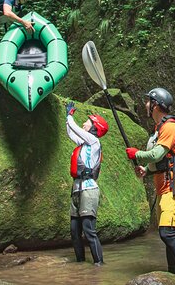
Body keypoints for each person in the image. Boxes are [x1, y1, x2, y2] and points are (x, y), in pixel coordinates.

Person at [125, 87, 175, 281]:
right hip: (164, 187)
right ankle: (173, 275)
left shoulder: (171, 127)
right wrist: (146, 170)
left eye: (148, 101)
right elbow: (162, 162)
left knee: (167, 234)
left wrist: (136, 154)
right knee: (169, 235)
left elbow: (156, 154)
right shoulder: (159, 129)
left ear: (156, 105)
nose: (145, 105)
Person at [65, 101, 108, 266]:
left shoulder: (94, 142)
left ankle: (99, 264)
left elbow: (74, 127)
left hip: (89, 190)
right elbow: (70, 132)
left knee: (89, 230)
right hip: (76, 189)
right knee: (75, 231)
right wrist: (67, 116)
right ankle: (80, 265)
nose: (84, 123)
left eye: (88, 122)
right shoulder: (83, 144)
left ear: (94, 127)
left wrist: (70, 115)